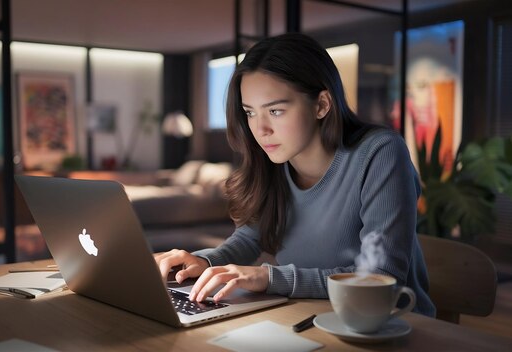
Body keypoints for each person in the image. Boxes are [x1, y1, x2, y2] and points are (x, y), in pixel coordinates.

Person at [155, 32, 435, 317]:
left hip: (389, 330)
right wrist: (202, 262)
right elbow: (248, 240)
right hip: (308, 319)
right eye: (250, 113)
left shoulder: (380, 153)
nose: (260, 129)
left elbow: (379, 278)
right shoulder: (275, 162)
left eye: (275, 111)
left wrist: (271, 278)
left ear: (322, 105)